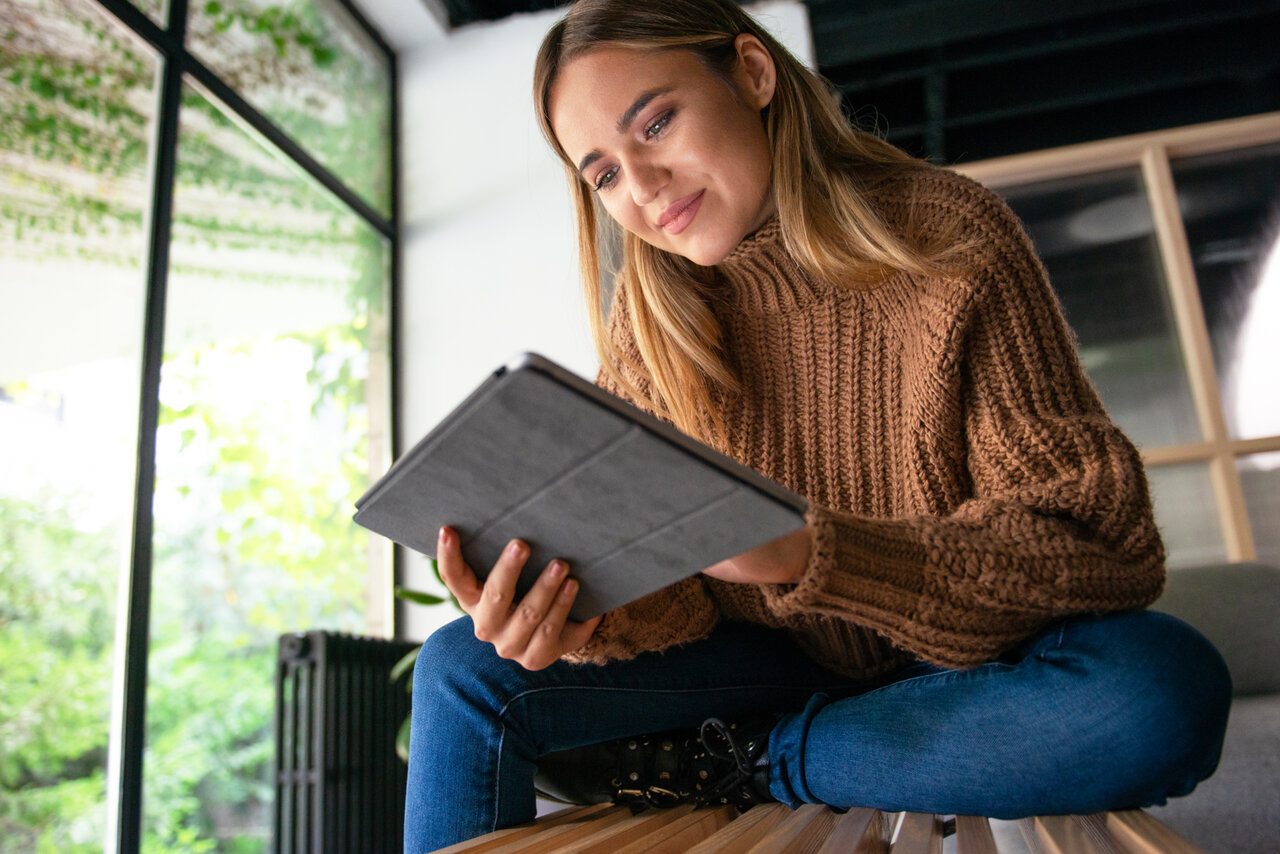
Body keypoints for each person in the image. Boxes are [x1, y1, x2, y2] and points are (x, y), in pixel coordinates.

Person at [401, 1, 1232, 850]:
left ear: (754, 74)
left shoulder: (947, 241)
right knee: (460, 667)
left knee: (1161, 690)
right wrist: (585, 618)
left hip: (960, 653)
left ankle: (763, 759)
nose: (643, 188)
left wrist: (809, 552)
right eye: (604, 173)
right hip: (763, 661)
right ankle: (831, 744)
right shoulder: (650, 320)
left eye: (656, 122)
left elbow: (1098, 546)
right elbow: (683, 594)